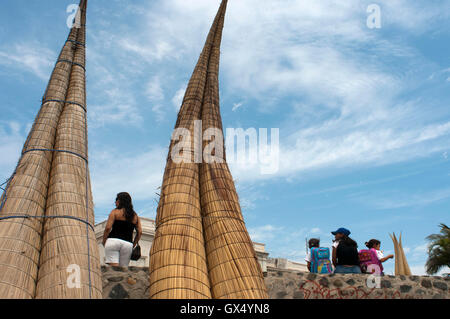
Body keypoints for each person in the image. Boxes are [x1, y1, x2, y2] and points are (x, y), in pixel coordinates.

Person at [102, 192, 143, 267]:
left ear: (120, 201)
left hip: (113, 241)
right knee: (123, 270)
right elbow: (140, 232)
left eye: (116, 199)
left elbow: (108, 228)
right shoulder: (135, 216)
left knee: (114, 269)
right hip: (127, 244)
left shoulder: (115, 212)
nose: (115, 202)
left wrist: (104, 240)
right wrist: (134, 244)